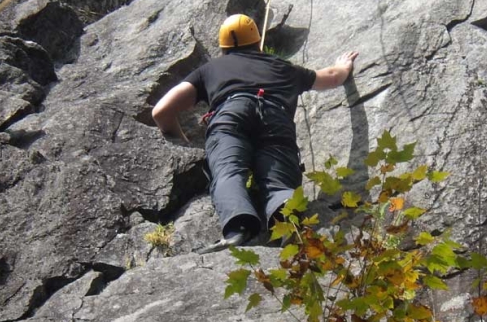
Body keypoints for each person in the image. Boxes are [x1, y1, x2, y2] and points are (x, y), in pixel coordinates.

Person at [152, 14, 358, 254]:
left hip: (230, 116)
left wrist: (180, 141)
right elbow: (332, 77)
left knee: (229, 172)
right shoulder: (282, 66)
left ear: (223, 47)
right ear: (257, 40)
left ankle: (238, 231)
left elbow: (162, 111)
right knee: (279, 181)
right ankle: (288, 226)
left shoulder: (210, 69)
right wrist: (344, 66)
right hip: (275, 117)